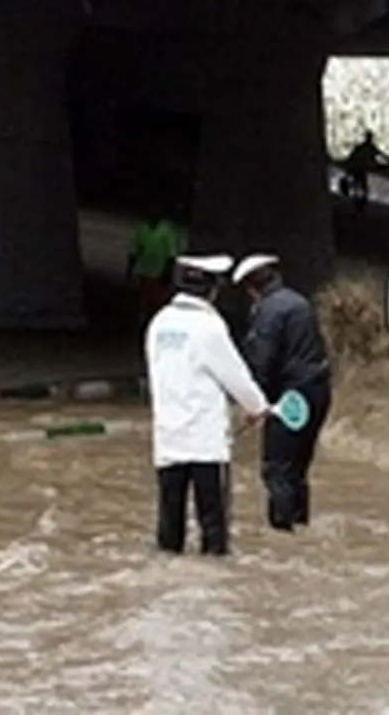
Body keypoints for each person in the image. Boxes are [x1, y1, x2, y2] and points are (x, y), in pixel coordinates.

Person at [145, 254, 270, 556]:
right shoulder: (209, 327)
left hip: (168, 439)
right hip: (205, 443)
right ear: (213, 290)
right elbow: (236, 376)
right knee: (213, 527)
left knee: (169, 525)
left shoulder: (159, 323)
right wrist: (258, 407)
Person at [233, 254, 333, 531]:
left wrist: (254, 404)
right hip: (318, 391)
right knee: (298, 468)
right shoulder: (299, 301)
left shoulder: (268, 311)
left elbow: (263, 361)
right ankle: (301, 524)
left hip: (290, 396)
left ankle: (283, 532)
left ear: (251, 289)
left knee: (277, 469)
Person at [128, 203, 182, 330]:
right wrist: (130, 269)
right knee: (143, 302)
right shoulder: (142, 228)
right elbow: (135, 250)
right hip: (145, 271)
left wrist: (167, 273)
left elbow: (171, 255)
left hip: (160, 273)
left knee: (158, 303)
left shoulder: (167, 230)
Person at [340, 130, 389, 211]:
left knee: (359, 184)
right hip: (360, 168)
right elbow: (380, 155)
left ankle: (355, 195)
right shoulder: (369, 148)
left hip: (358, 168)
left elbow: (352, 156)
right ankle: (358, 198)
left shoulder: (362, 147)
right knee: (362, 185)